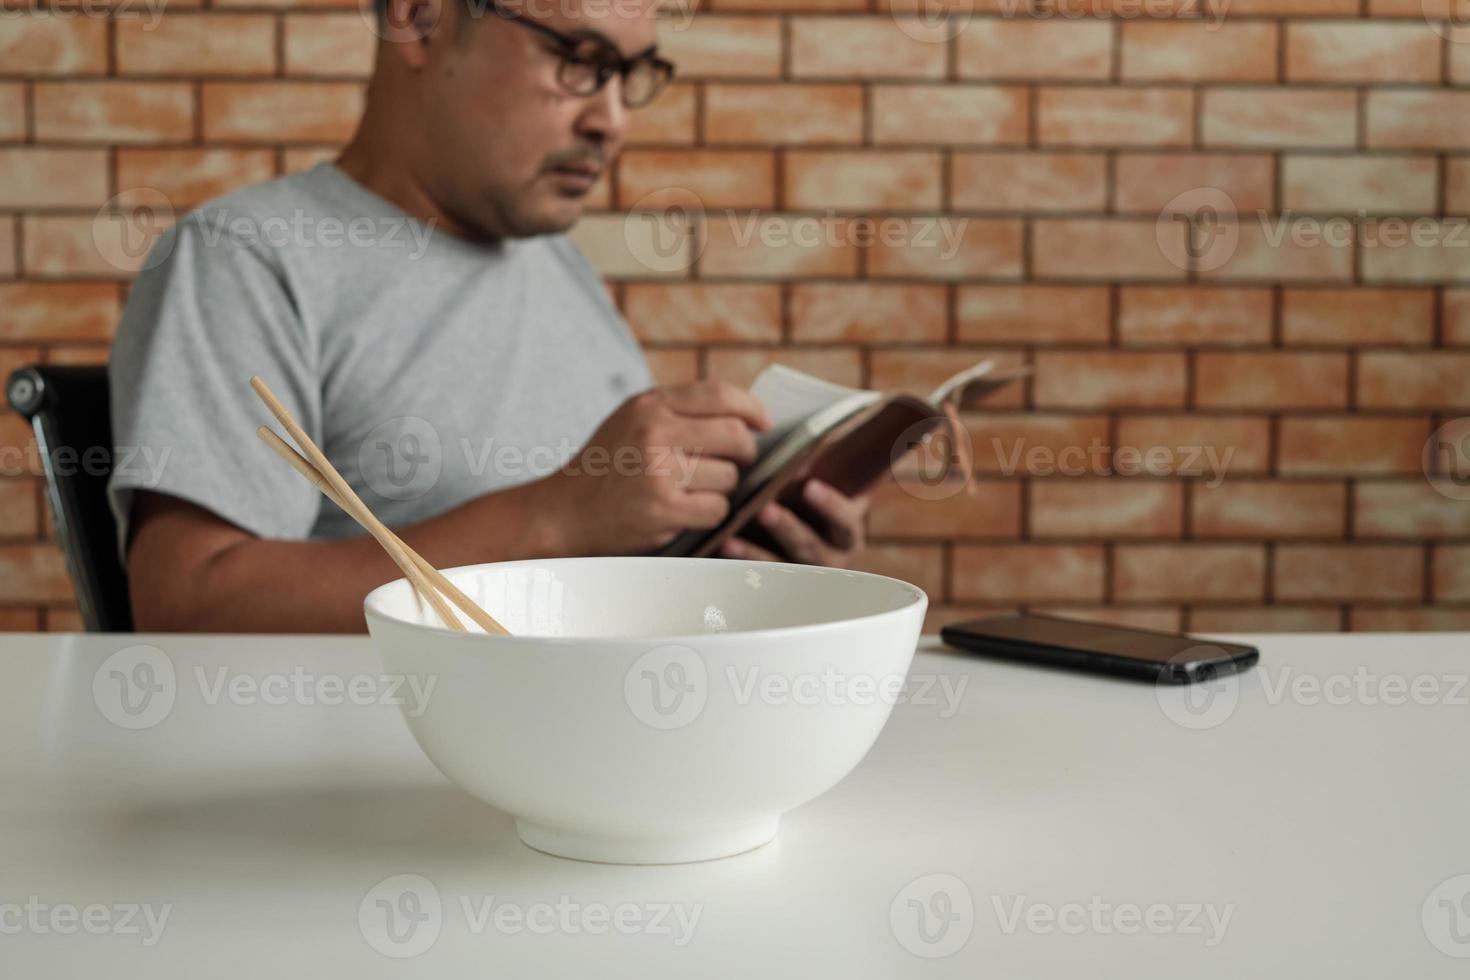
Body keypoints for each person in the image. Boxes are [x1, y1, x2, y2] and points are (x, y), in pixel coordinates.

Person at [109, 0, 871, 633]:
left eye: (631, 75)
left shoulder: (561, 270)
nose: (612, 121)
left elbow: (603, 570)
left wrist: (749, 569)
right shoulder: (248, 259)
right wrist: (550, 521)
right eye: (578, 56)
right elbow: (185, 606)